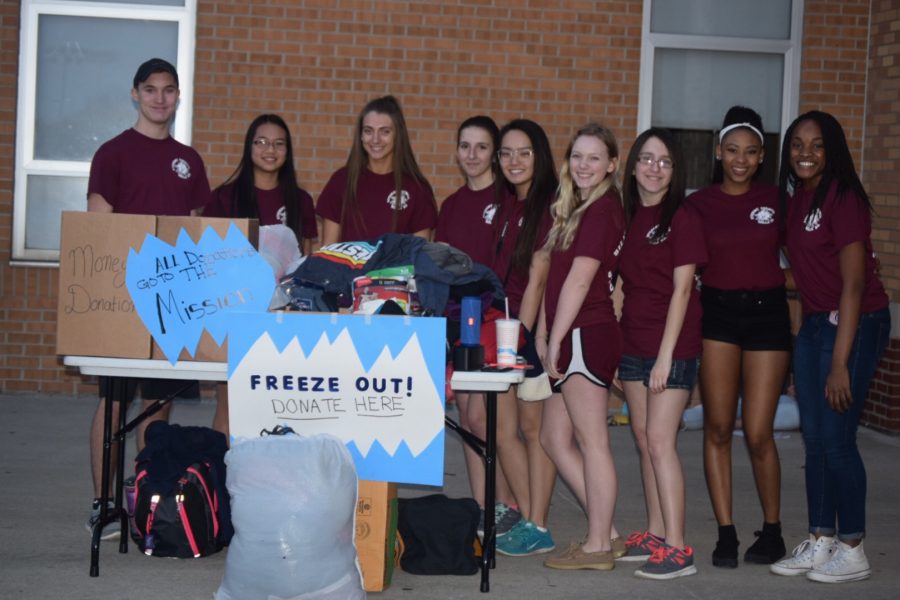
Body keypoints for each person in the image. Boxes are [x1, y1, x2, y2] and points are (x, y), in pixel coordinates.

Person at [85, 58, 210, 539]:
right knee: (114, 403)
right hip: (123, 301)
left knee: (157, 408)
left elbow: (196, 234)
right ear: (135, 94)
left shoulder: (189, 161)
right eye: (151, 89)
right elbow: (100, 228)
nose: (160, 98)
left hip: (173, 306)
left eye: (169, 90)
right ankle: (104, 503)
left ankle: (144, 497)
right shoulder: (112, 154)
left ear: (178, 97)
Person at [770, 111, 890, 583]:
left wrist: (840, 363)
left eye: (817, 144)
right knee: (815, 440)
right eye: (797, 144)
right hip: (818, 324)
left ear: (832, 150)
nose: (805, 152)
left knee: (838, 441)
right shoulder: (797, 199)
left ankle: (853, 547)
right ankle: (822, 541)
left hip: (857, 324)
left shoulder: (842, 197)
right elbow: (805, 275)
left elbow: (855, 284)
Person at [688, 106, 791, 567]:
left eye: (750, 152)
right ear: (718, 151)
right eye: (732, 150)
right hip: (718, 316)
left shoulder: (777, 200)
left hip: (768, 314)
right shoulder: (699, 204)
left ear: (762, 155)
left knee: (758, 432)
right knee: (717, 427)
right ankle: (725, 533)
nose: (741, 160)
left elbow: (803, 260)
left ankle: (772, 531)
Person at [617, 128, 706, 579]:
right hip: (632, 341)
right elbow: (620, 286)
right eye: (647, 159)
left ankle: (678, 547)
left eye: (665, 161)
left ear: (675, 171)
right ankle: (654, 533)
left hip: (672, 345)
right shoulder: (628, 215)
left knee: (659, 440)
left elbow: (683, 288)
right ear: (633, 166)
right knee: (641, 438)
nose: (654, 167)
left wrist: (666, 357)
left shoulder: (682, 217)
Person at [537, 123, 627, 570]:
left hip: (584, 333)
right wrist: (542, 330)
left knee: (593, 442)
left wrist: (555, 339)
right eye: (577, 156)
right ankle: (606, 531)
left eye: (594, 157)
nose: (584, 165)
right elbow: (554, 279)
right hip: (567, 332)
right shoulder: (575, 207)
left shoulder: (603, 210)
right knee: (554, 437)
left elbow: (580, 280)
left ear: (612, 164)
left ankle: (596, 548)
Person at [203, 114, 319, 439]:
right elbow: (208, 262)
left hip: (285, 323)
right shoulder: (224, 198)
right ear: (249, 147)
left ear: (288, 151)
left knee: (277, 412)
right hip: (235, 320)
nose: (270, 150)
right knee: (229, 414)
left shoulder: (301, 201)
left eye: (279, 143)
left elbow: (304, 264)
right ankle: (223, 489)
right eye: (262, 142)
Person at [435, 115, 520, 536]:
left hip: (493, 316)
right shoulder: (450, 205)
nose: (471, 155)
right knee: (468, 418)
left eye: (481, 147)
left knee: (483, 418)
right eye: (464, 146)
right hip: (458, 318)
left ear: (494, 153)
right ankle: (483, 506)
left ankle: (506, 503)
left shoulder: (506, 200)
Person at [491, 119, 558, 557]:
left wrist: (523, 339)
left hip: (528, 334)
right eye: (507, 153)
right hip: (505, 328)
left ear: (540, 156)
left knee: (534, 432)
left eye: (524, 153)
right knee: (505, 431)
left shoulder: (547, 205)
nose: (514, 161)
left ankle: (537, 523)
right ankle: (527, 516)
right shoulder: (506, 205)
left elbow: (537, 280)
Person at [316, 95, 436, 244]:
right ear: (360, 135)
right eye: (368, 131)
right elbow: (329, 250)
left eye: (385, 131)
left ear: (398, 135)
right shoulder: (341, 181)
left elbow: (419, 255)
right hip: (347, 268)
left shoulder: (417, 188)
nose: (375, 139)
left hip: (396, 267)